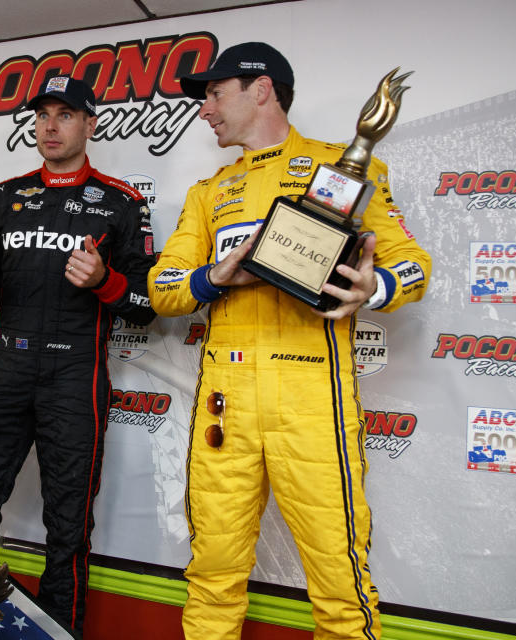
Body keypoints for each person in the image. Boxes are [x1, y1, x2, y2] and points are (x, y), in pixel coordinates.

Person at [148, 43, 431, 640]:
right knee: (213, 575)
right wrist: (212, 277)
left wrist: (371, 288)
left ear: (261, 89)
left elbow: (414, 267)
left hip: (312, 395)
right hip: (225, 396)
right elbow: (165, 288)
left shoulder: (344, 170)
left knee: (339, 583)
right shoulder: (209, 192)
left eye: (214, 93)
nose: (205, 110)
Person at [0, 76, 156, 637]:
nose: (51, 125)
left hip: (74, 374)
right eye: (43, 115)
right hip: (7, 364)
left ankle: (59, 630)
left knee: (67, 526)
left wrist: (106, 281)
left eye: (66, 115)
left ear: (91, 124)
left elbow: (146, 306)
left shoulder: (121, 202)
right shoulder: (4, 195)